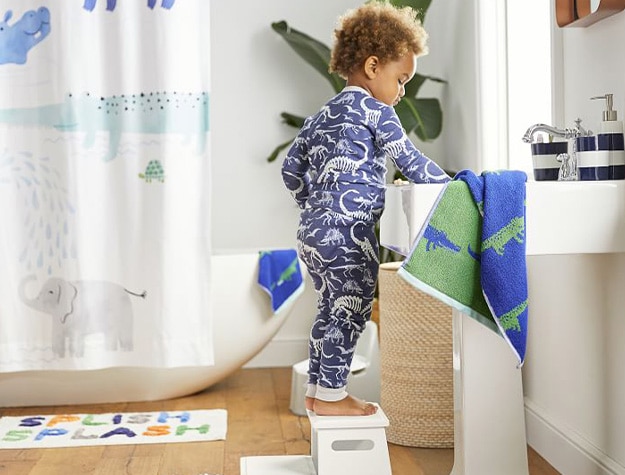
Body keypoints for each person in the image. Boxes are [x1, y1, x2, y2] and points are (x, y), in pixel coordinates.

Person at [281, 1, 451, 416]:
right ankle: (333, 398)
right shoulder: (378, 111)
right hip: (348, 233)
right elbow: (409, 160)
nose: (403, 91)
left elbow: (290, 170)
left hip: (313, 233)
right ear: (373, 67)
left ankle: (319, 391)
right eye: (401, 79)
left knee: (329, 307)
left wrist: (313, 206)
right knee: (352, 309)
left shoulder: (320, 115)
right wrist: (454, 184)